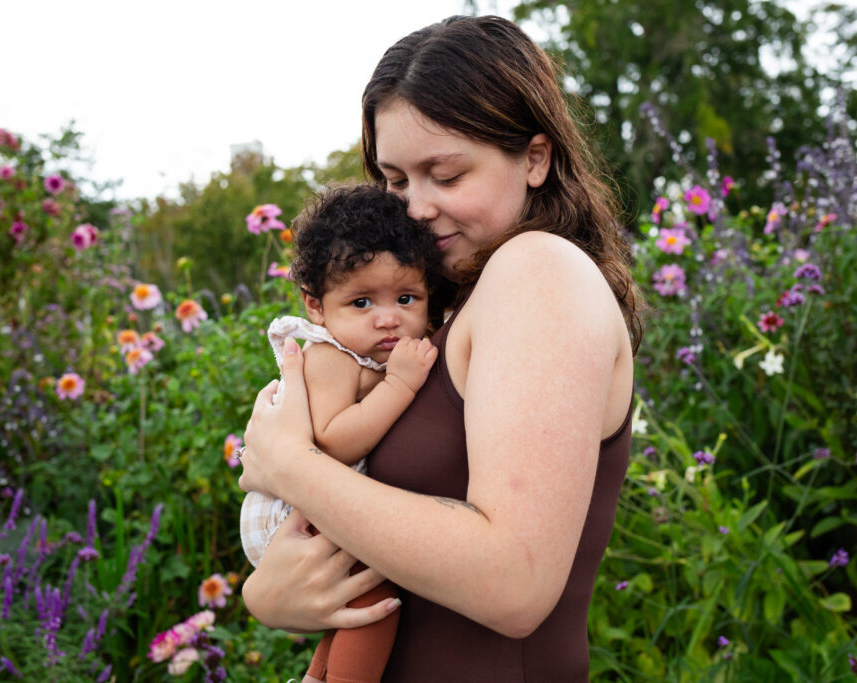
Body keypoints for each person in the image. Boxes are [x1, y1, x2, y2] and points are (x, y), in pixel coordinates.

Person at [238, 14, 643, 681]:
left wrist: (287, 463)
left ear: (535, 158)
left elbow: (514, 580)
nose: (417, 207)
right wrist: (266, 593)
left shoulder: (539, 271)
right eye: (396, 181)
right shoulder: (444, 304)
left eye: (446, 175)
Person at [239, 184, 443, 683]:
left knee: (352, 603)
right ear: (316, 306)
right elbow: (331, 441)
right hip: (290, 517)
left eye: (406, 297)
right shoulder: (330, 356)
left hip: (311, 507)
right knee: (376, 602)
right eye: (361, 302)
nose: (388, 317)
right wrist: (397, 385)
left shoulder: (368, 353)